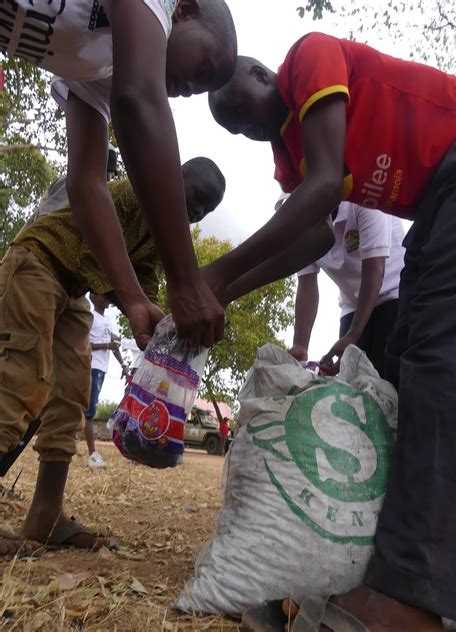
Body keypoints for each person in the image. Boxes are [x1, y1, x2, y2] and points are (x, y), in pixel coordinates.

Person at [207, 40, 456, 630]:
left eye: (241, 107)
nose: (245, 126)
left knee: (443, 359)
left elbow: (325, 187)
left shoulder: (310, 57)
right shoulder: (288, 159)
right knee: (402, 366)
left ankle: (413, 597)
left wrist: (211, 276)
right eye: (234, 129)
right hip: (436, 202)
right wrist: (222, 291)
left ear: (261, 71)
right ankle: (390, 564)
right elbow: (309, 241)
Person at [0, 157, 226, 558]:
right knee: (19, 384)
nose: (195, 213)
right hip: (35, 265)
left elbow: (143, 283)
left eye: (205, 211)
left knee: (71, 396)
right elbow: (97, 246)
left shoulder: (158, 233)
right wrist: (135, 301)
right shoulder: (128, 192)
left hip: (70, 291)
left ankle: (45, 515)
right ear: (173, 177)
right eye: (195, 198)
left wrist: (157, 328)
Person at [1, 0, 237, 350]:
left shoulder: (101, 68)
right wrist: (186, 281)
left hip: (73, 284)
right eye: (202, 69)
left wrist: (136, 301)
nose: (188, 87)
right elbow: (138, 99)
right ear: (184, 9)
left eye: (196, 90)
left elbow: (86, 183)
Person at [289, 201, 405, 378]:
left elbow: (374, 271)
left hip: (395, 292)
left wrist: (353, 336)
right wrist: (300, 346)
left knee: (388, 376)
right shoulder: (302, 225)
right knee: (353, 383)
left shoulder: (363, 201)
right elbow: (307, 284)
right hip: (353, 304)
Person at [84, 294, 128, 470]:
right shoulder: (91, 317)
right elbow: (85, 344)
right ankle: (92, 454)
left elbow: (113, 345)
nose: (108, 298)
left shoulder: (107, 320)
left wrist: (123, 365)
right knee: (89, 410)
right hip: (92, 366)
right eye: (102, 295)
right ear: (93, 298)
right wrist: (107, 346)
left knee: (87, 407)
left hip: (102, 369)